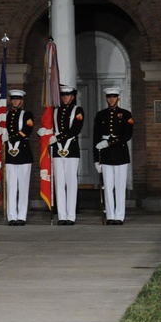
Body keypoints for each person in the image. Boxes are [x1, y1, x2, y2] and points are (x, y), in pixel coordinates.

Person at [93, 87, 134, 226]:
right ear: (106, 99)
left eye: (114, 97)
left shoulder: (126, 114)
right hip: (105, 155)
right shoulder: (100, 115)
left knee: (120, 186)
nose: (111, 99)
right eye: (109, 97)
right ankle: (110, 215)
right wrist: (96, 159)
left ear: (118, 98)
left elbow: (127, 135)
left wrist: (109, 142)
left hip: (120, 153)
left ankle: (119, 216)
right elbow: (95, 138)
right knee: (108, 186)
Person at [52, 84, 84, 225]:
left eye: (68, 95)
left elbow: (75, 130)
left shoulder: (78, 110)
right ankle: (61, 215)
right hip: (57, 150)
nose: (65, 97)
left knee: (71, 183)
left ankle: (71, 215)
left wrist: (57, 138)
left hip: (71, 149)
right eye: (63, 95)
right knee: (59, 183)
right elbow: (49, 127)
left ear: (72, 96)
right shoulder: (54, 111)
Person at [3, 89, 34, 225]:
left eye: (18, 99)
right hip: (9, 155)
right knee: (11, 186)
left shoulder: (27, 115)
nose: (15, 101)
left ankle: (21, 216)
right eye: (13, 99)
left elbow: (26, 131)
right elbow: (0, 129)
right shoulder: (5, 115)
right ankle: (11, 216)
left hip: (23, 154)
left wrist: (9, 136)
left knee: (23, 186)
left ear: (22, 101)